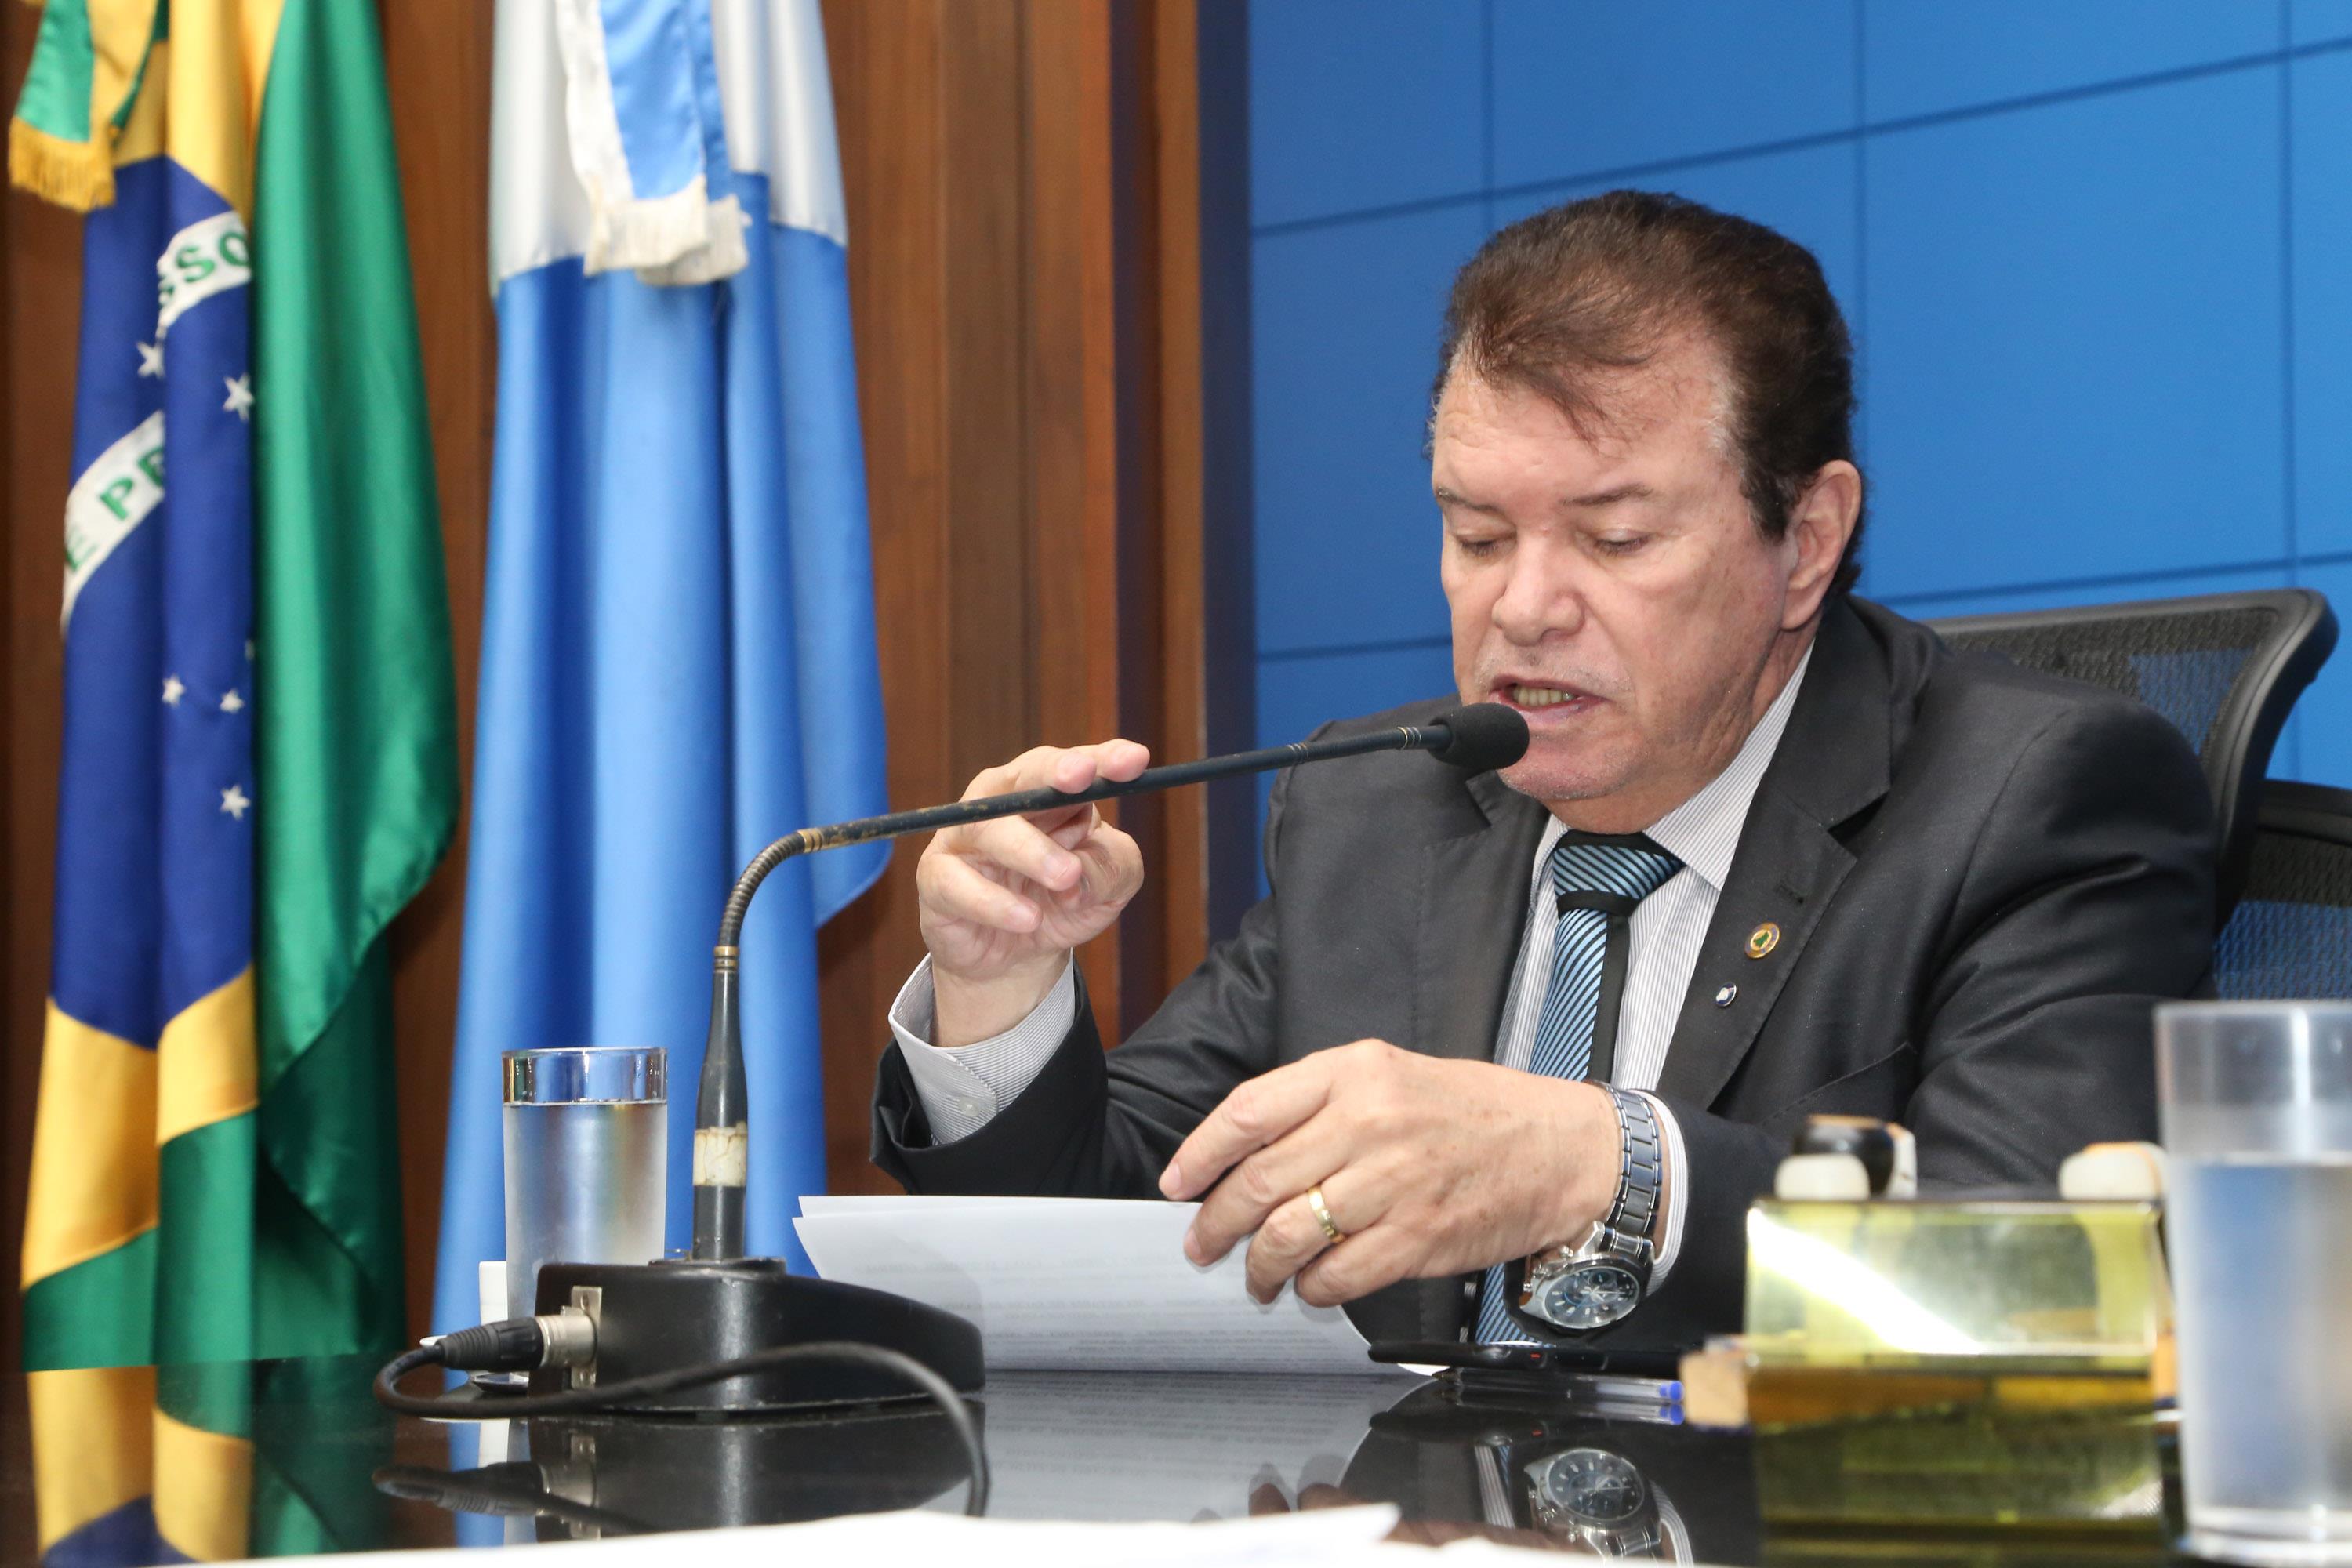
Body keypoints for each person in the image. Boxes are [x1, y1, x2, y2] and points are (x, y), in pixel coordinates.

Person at [869, 191, 2216, 1349]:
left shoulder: (2032, 799)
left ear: (1806, 540)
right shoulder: (1378, 804)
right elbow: (1118, 1231)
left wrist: (1601, 1166)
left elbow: (2043, 1284)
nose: (1523, 609)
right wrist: (1002, 991)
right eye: (1476, 536)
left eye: (1615, 539)